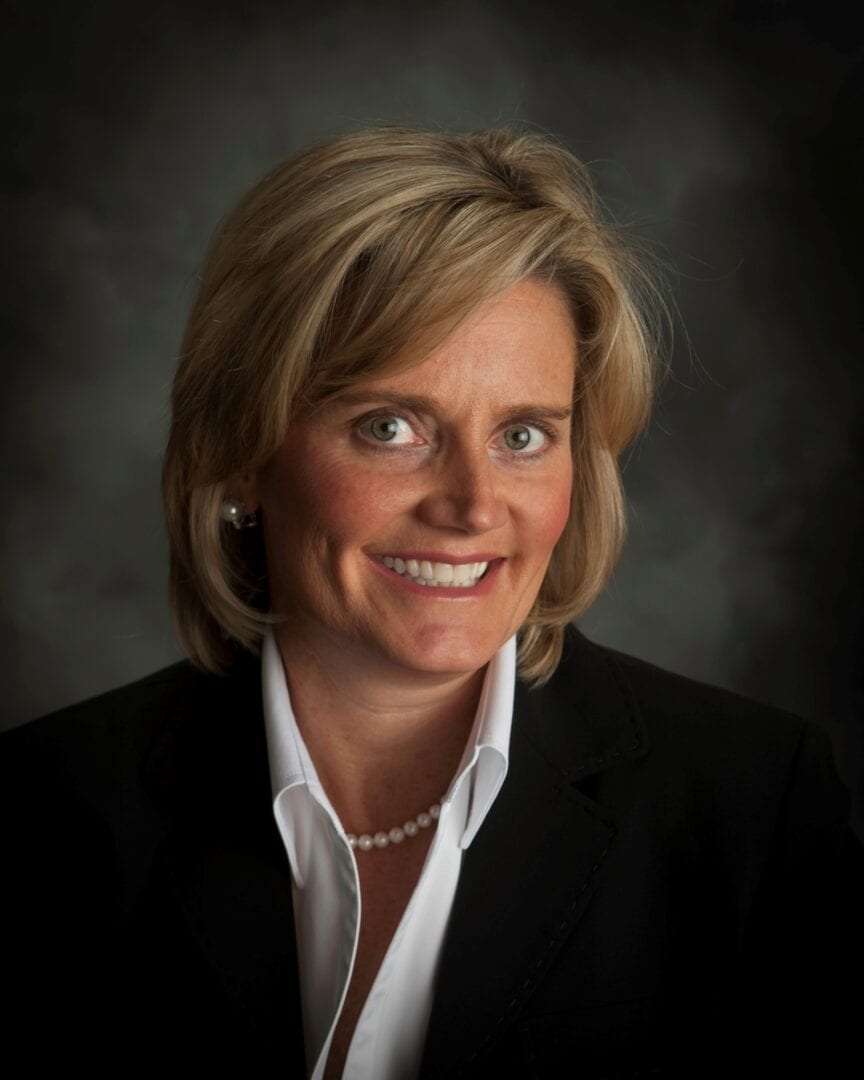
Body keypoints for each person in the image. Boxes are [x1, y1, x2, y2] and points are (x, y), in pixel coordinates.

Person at [4, 126, 862, 1078]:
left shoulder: (753, 807)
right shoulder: (39, 816)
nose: (472, 505)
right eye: (391, 426)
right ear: (240, 451)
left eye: (524, 435)